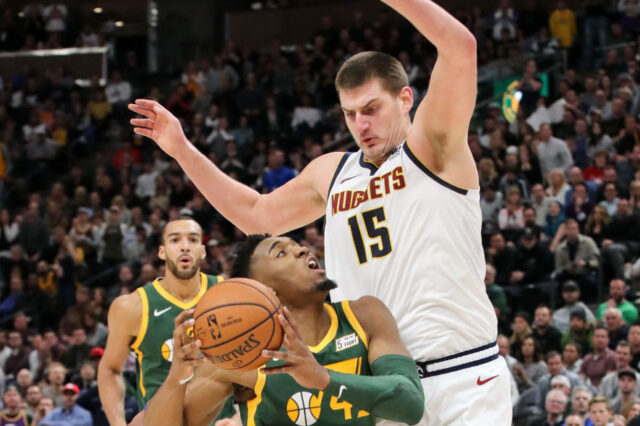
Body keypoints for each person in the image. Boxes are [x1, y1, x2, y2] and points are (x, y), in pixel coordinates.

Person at [129, 0, 511, 422]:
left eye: (370, 109)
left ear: (405, 99)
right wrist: (182, 150)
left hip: (462, 374)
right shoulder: (333, 171)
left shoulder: (432, 148)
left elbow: (460, 46)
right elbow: (257, 216)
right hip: (374, 382)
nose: (360, 125)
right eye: (349, 114)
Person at [140, 235, 424, 426]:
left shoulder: (364, 316)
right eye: (281, 253)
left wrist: (324, 379)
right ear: (264, 291)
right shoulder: (241, 360)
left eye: (296, 245)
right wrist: (176, 379)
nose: (302, 249)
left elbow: (410, 403)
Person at [97, 217, 234, 425]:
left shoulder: (230, 295)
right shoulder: (132, 307)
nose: (185, 247)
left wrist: (237, 418)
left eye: (193, 239)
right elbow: (110, 369)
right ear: (162, 251)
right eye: (175, 240)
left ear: (203, 251)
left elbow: (253, 365)